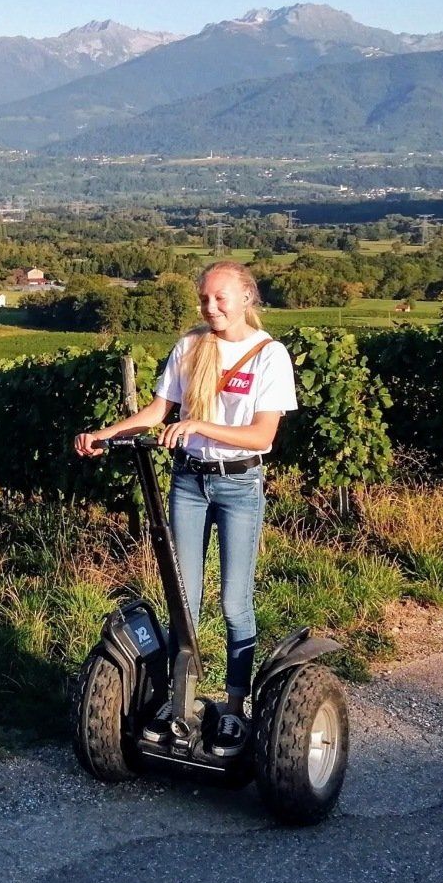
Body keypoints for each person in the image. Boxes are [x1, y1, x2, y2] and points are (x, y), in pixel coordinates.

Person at [73, 261, 297, 745]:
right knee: (183, 601)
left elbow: (263, 435)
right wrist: (105, 435)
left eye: (220, 298)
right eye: (204, 299)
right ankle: (182, 703)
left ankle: (236, 708)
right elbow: (158, 411)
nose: (210, 307)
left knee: (235, 602)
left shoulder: (269, 356)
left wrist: (198, 426)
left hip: (239, 486)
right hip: (189, 484)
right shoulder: (190, 347)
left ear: (245, 298)